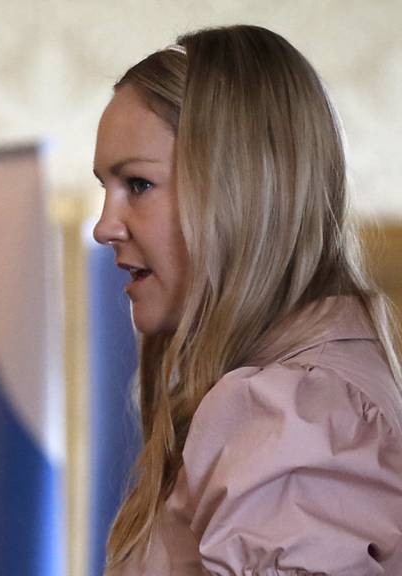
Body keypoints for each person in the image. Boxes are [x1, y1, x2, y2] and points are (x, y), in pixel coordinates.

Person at [92, 25, 402, 575]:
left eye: (137, 185)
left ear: (238, 188)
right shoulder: (308, 397)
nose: (103, 227)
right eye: (105, 189)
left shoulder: (293, 412)